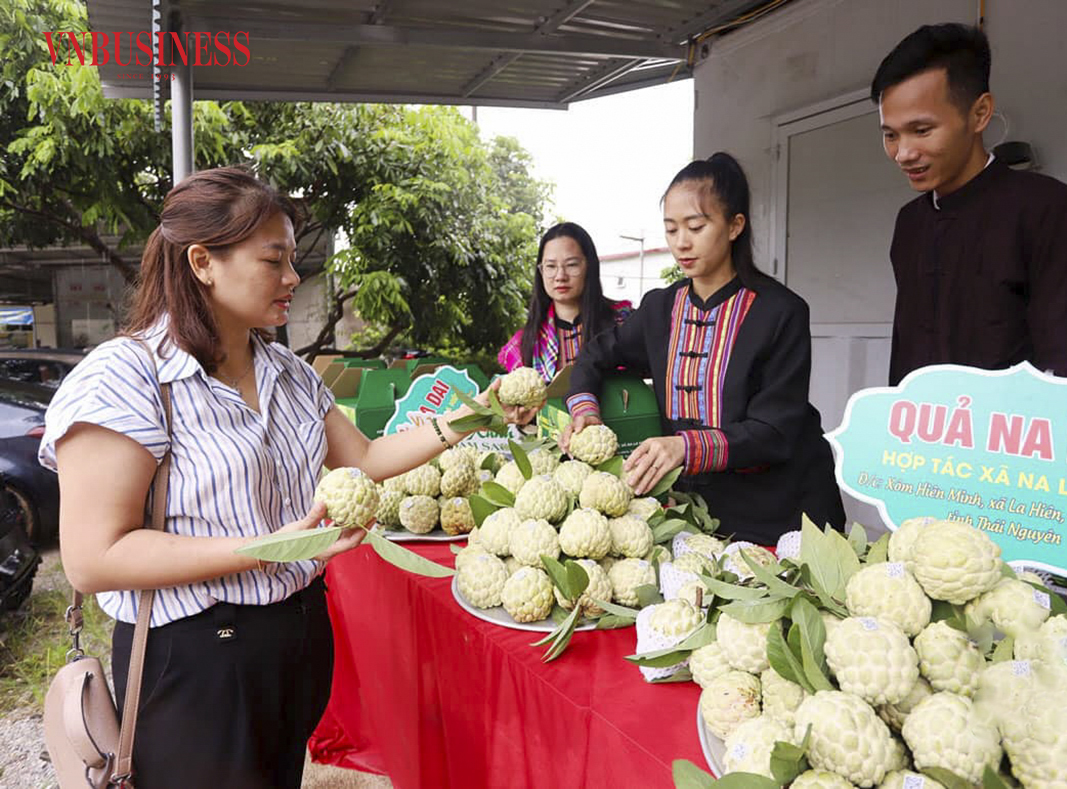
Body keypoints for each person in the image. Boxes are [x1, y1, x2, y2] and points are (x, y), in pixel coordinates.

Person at [38, 167, 536, 788]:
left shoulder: (289, 372)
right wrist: (271, 548)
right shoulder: (127, 377)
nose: (293, 280)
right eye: (274, 260)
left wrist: (472, 415)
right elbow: (93, 557)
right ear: (202, 262)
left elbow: (364, 459)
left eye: (292, 261)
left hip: (297, 635)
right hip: (197, 657)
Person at [560, 153, 845, 544]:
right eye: (671, 229)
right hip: (695, 511)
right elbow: (595, 354)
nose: (681, 242)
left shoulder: (780, 312)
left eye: (696, 226)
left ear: (734, 226)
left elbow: (775, 431)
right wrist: (585, 413)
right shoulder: (661, 308)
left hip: (784, 512)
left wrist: (684, 447)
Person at [873, 23, 1067, 386]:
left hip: (1009, 437)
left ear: (980, 114)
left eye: (922, 131)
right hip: (918, 436)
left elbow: (1066, 370)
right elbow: (906, 355)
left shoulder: (1057, 212)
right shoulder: (910, 223)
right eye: (891, 135)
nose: (903, 153)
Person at [498, 222, 632, 381]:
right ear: (541, 271)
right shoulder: (523, 343)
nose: (560, 276)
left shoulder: (624, 324)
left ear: (590, 267)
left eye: (571, 265)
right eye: (551, 266)